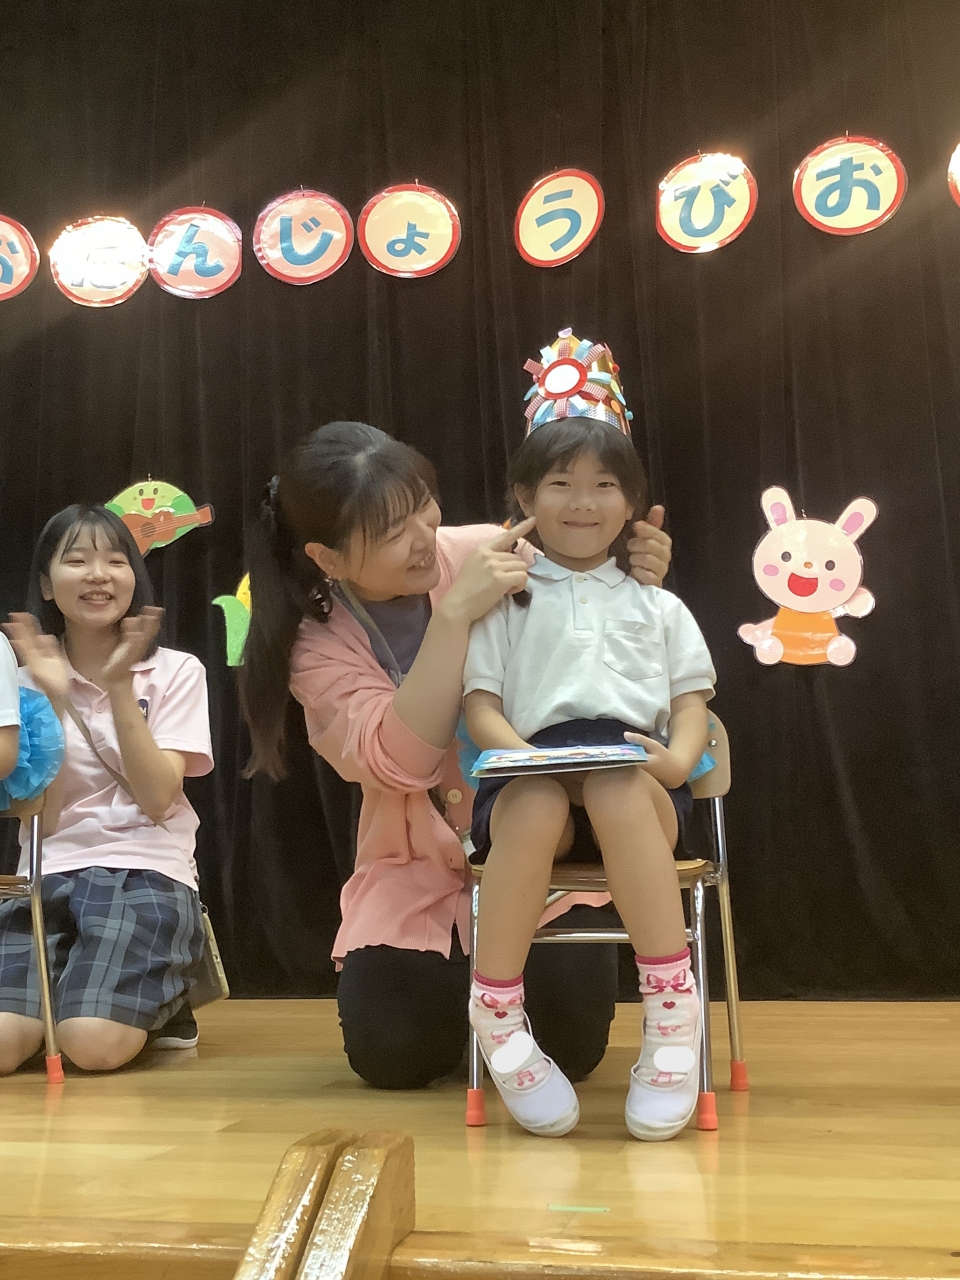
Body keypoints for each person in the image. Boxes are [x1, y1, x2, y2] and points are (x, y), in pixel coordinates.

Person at [239, 408, 673, 1090]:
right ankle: (481, 1005)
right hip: (416, 868)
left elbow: (597, 643)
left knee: (572, 1046)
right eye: (391, 532)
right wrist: (453, 617)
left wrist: (639, 583)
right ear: (328, 558)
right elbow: (401, 764)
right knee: (392, 1056)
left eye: (422, 507)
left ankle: (495, 1004)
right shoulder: (316, 640)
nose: (423, 539)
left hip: (537, 845)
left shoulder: (487, 551)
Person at [463, 331, 716, 1139]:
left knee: (615, 784)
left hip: (636, 783)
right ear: (524, 496)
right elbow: (480, 708)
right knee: (537, 803)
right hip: (528, 773)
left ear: (632, 501)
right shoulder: (503, 599)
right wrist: (520, 756)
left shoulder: (658, 603)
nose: (583, 500)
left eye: (605, 484)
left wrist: (677, 760)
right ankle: (497, 1011)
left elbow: (690, 704)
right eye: (561, 482)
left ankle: (672, 1016)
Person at [0, 505, 213, 1075]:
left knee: (91, 1046)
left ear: (133, 577)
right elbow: (36, 813)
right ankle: (79, 990)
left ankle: (163, 1000)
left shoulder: (176, 671)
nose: (98, 575)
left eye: (115, 561)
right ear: (47, 583)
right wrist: (51, 697)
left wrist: (118, 685)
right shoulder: (22, 681)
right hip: (46, 873)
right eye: (76, 561)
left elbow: (157, 798)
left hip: (145, 872)